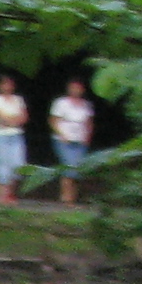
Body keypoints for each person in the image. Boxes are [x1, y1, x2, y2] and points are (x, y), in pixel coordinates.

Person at [50, 78, 97, 206]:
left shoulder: (86, 105)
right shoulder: (61, 103)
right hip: (64, 140)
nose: (76, 90)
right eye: (73, 87)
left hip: (80, 140)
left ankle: (72, 197)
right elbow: (53, 121)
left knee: (78, 169)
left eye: (78, 88)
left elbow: (89, 123)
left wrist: (87, 137)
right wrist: (62, 134)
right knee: (68, 166)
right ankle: (67, 198)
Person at [0, 73, 30, 205]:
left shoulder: (18, 99)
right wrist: (14, 120)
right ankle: (1, 197)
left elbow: (24, 117)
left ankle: (10, 194)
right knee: (1, 165)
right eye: (4, 84)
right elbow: (0, 117)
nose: (7, 86)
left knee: (18, 165)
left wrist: (11, 121)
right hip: (0, 136)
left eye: (10, 84)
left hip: (16, 135)